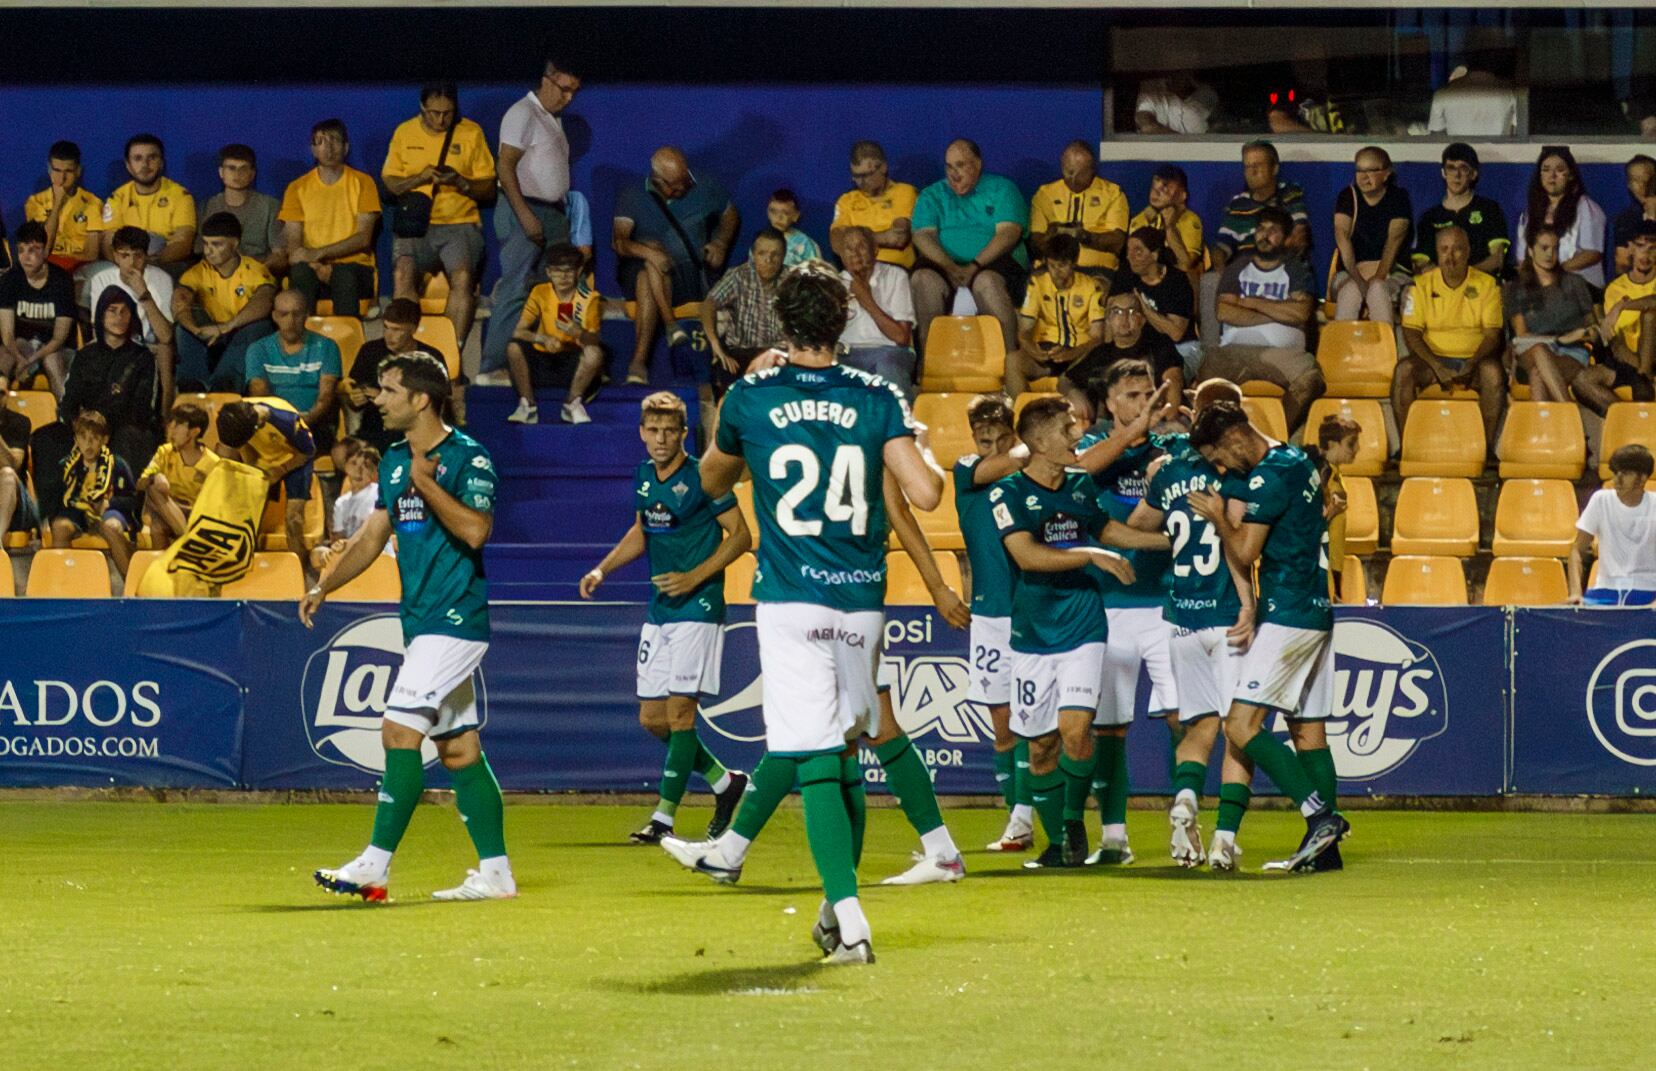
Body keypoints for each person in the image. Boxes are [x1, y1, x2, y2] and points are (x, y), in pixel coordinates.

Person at [663, 263, 945, 964]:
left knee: (813, 752)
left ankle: (849, 919)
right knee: (843, 754)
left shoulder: (751, 396)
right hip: (861, 602)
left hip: (791, 599)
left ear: (781, 324)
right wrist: (922, 445)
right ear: (846, 318)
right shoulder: (878, 395)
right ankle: (828, 907)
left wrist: (746, 428)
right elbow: (929, 494)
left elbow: (708, 479)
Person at [306, 351, 515, 903]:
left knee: (399, 733)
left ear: (421, 399)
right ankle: (496, 874)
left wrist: (428, 485)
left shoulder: (469, 458)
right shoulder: (396, 460)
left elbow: (476, 531)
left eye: (389, 390)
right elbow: (373, 537)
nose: (379, 398)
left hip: (456, 619)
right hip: (422, 623)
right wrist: (324, 585)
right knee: (459, 751)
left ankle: (374, 866)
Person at [990, 396, 1159, 869]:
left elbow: (1106, 530)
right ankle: (1055, 841)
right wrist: (1088, 555)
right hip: (1033, 633)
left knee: (1075, 730)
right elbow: (1027, 556)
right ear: (1040, 441)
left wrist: (1165, 540)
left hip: (1084, 623)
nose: (1077, 437)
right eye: (1067, 430)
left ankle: (1071, 826)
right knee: (1040, 746)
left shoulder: (1082, 484)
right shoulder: (1005, 493)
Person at [578, 391, 752, 844]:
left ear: (682, 434)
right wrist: (603, 568)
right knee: (652, 718)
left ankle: (664, 818)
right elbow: (642, 530)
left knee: (679, 714)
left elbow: (740, 537)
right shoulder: (642, 477)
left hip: (699, 605)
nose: (660, 439)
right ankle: (724, 782)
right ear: (641, 433)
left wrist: (695, 577)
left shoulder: (705, 478)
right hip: (660, 611)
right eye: (653, 430)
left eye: (669, 431)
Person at [1185, 401, 1347, 872]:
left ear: (1236, 436)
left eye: (1220, 455)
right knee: (1308, 732)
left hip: (1289, 613)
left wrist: (1220, 517)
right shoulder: (1296, 459)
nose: (1222, 466)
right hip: (1316, 607)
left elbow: (1246, 549)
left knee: (1240, 725)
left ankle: (1320, 818)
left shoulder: (1267, 477)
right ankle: (1326, 852)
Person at [1131, 410, 1258, 871]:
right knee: (1238, 731)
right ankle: (1225, 835)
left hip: (1181, 619)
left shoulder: (1169, 473)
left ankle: (1185, 796)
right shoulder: (1237, 478)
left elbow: (1142, 522)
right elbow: (1241, 542)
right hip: (1227, 617)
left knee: (1198, 725)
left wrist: (1161, 488)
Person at [1074, 362, 1180, 867]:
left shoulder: (1174, 452)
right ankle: (1114, 837)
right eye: (1133, 395)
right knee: (1109, 728)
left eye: (1149, 394)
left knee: (1187, 718)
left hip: (1165, 603)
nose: (1144, 403)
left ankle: (1188, 826)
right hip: (1108, 607)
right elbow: (1079, 479)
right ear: (1110, 404)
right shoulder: (1089, 450)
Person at [952, 394, 1036, 852]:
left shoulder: (1030, 477)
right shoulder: (967, 470)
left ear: (1011, 431)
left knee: (1029, 719)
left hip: (1030, 608)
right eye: (983, 437)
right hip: (988, 615)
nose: (991, 446)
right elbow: (1009, 461)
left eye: (1000, 436)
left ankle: (1026, 817)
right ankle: (1015, 819)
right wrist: (1032, 444)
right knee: (1002, 721)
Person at [480, 57, 582, 380]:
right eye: (565, 89)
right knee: (516, 288)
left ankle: (545, 365)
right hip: (525, 209)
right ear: (547, 78)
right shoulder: (521, 113)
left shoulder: (553, 119)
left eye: (574, 93)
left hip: (552, 214)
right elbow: (505, 167)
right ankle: (493, 365)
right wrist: (524, 215)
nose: (568, 98)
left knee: (553, 290)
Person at [383, 81, 497, 353]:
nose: (441, 119)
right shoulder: (405, 132)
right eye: (434, 113)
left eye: (447, 113)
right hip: (416, 224)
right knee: (402, 273)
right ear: (423, 108)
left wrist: (460, 181)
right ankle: (405, 349)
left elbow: (488, 187)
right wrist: (419, 177)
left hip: (459, 223)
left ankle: (451, 350)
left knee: (463, 277)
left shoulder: (470, 133)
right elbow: (390, 184)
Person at [612, 148, 740, 386]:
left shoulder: (704, 186)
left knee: (647, 274)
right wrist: (649, 253)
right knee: (648, 264)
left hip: (688, 275)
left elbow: (730, 214)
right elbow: (619, 242)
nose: (686, 185)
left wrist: (720, 243)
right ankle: (666, 331)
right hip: (643, 273)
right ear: (659, 181)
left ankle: (639, 362)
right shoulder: (633, 196)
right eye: (678, 183)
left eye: (686, 178)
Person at [35, 288, 160, 516]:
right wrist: (79, 426)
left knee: (130, 436)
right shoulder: (86, 355)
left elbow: (143, 407)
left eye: (124, 312)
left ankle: (122, 513)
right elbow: (69, 401)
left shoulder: (142, 357)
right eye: (112, 311)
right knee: (46, 437)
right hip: (88, 426)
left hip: (127, 426)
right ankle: (54, 513)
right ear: (101, 316)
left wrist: (103, 425)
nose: (119, 318)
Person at [1197, 207, 1322, 431]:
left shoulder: (1297, 268)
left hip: (1284, 354)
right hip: (1234, 351)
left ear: (1286, 237)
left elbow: (1300, 313)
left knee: (1311, 379)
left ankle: (1276, 434)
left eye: (1273, 230)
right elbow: (1224, 312)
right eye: (1261, 229)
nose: (1264, 235)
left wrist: (1251, 302)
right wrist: (1278, 313)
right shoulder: (1237, 266)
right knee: (1204, 382)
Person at [910, 139, 1029, 359]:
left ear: (978, 164)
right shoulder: (931, 195)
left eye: (961, 165)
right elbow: (922, 235)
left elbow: (1008, 233)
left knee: (988, 282)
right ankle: (929, 364)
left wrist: (975, 265)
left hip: (994, 262)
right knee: (922, 279)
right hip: (945, 263)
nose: (954, 174)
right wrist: (950, 267)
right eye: (949, 167)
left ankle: (1010, 361)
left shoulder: (1002, 189)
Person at [1395, 226, 1506, 451]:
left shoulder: (1487, 285)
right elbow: (1411, 333)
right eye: (1444, 250)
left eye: (1457, 249)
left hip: (1474, 361)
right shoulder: (1421, 285)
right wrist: (1436, 366)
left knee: (1493, 374)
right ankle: (1407, 447)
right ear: (1436, 253)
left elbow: (1493, 335)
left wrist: (1471, 363)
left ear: (1467, 252)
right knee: (1403, 371)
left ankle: (1485, 450)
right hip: (1432, 361)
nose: (1450, 256)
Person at [1203, 141, 1311, 344]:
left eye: (1258, 165)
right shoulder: (1238, 203)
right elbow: (1222, 246)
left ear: (1274, 168)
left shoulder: (1289, 194)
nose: (1252, 171)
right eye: (1247, 166)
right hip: (1243, 269)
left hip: (1280, 265)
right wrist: (1223, 272)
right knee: (1210, 281)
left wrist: (1269, 261)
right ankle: (1211, 349)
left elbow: (1298, 237)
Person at [280, 119, 382, 318]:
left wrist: (320, 254)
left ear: (346, 147)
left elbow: (363, 238)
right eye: (321, 141)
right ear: (313, 149)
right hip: (311, 266)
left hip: (356, 268)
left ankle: (348, 341)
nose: (329, 147)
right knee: (301, 273)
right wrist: (317, 265)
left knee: (343, 275)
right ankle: (303, 341)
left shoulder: (363, 183)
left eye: (335, 140)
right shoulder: (296, 188)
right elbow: (294, 249)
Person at [172, 213, 277, 391]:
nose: (208, 251)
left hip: (238, 331)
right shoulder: (198, 272)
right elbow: (180, 302)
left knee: (258, 327)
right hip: (211, 334)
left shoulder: (254, 270)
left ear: (234, 244)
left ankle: (223, 385)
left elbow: (264, 302)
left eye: (216, 244)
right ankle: (194, 386)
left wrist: (227, 327)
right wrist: (195, 329)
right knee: (183, 329)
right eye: (205, 244)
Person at [1505, 225, 1604, 410]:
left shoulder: (1574, 282)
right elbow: (1521, 334)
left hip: (1571, 350)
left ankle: (1548, 435)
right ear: (1530, 251)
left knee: (1538, 375)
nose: (1550, 254)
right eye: (1544, 248)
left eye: (1555, 248)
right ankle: (1570, 414)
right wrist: (1556, 339)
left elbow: (1591, 326)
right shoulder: (1518, 288)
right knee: (1540, 351)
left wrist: (1585, 333)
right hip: (1532, 349)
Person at [505, 244, 603, 427]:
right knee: (513, 347)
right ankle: (528, 406)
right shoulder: (540, 292)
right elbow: (519, 331)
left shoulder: (589, 298)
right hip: (543, 357)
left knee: (594, 353)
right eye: (557, 271)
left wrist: (578, 333)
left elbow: (595, 340)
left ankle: (572, 404)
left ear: (578, 271)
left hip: (571, 361)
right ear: (549, 273)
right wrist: (542, 338)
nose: (563, 277)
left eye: (568, 271)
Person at [215, 396, 317, 561]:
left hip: (294, 459)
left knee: (293, 519)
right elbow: (242, 448)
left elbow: (307, 452)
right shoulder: (235, 417)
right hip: (264, 458)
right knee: (249, 515)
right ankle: (247, 563)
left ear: (255, 428)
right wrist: (254, 472)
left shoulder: (287, 421)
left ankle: (301, 569)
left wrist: (281, 470)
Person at [699, 228, 785, 419]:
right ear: (753, 255)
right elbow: (708, 305)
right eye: (762, 253)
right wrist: (715, 345)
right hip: (740, 354)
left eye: (775, 254)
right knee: (728, 393)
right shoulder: (739, 276)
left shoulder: (791, 280)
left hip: (777, 355)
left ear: (783, 257)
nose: (768, 260)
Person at [244, 290, 342, 454]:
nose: (290, 321)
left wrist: (302, 424)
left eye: (296, 314)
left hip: (314, 424)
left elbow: (325, 397)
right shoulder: (258, 349)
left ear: (306, 315)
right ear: (275, 316)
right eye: (284, 314)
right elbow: (259, 393)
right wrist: (284, 425)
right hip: (272, 425)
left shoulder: (327, 347)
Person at [1007, 233, 1105, 398]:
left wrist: (1072, 353)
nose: (1056, 272)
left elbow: (1097, 337)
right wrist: (1033, 350)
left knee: (1096, 362)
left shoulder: (1091, 287)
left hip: (1078, 355)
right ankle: (1023, 412)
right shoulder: (1037, 284)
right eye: (1051, 266)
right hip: (1046, 351)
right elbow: (1024, 331)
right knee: (1012, 360)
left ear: (1074, 263)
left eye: (1062, 266)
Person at [87, 226, 176, 405]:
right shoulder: (101, 280)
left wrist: (143, 293)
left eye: (138, 256)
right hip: (116, 343)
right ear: (115, 256)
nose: (132, 263)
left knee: (165, 351)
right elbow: (99, 330)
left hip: (150, 345)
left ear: (146, 256)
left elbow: (165, 336)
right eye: (125, 256)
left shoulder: (162, 279)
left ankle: (164, 418)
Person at [1059, 291, 1180, 423]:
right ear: (1108, 320)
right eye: (1117, 312)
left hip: (1154, 423)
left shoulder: (1160, 346)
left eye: (1132, 311)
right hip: (1110, 428)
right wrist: (1074, 393)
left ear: (1143, 320)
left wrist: (1169, 425)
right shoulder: (1100, 353)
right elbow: (1064, 380)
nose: (1124, 317)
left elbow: (1173, 380)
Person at [51, 409, 139, 577]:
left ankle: (130, 583)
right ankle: (63, 583)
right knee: (60, 526)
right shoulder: (66, 466)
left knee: (111, 526)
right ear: (76, 439)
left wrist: (109, 503)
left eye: (94, 438)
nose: (88, 443)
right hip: (77, 513)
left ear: (104, 440)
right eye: (83, 437)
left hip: (109, 512)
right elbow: (55, 499)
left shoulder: (117, 464)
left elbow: (132, 500)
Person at [1028, 141, 1129, 285]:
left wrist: (1084, 236)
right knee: (1033, 285)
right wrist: (1053, 235)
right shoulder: (1045, 194)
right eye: (1068, 171)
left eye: (1080, 174)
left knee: (1100, 288)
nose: (1073, 179)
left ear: (1092, 170)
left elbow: (1117, 242)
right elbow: (1036, 241)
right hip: (1052, 268)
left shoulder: (1112, 194)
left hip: (1096, 269)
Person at [92, 134, 196, 273]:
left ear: (161, 163)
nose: (145, 164)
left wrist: (148, 262)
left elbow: (183, 242)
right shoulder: (117, 197)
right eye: (138, 158)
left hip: (164, 264)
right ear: (128, 165)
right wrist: (126, 264)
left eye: (152, 157)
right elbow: (108, 241)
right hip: (124, 264)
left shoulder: (180, 196)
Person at [1332, 146, 1413, 323]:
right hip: (1352, 272)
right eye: (1360, 170)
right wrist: (1359, 280)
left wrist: (1377, 278)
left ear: (1386, 173)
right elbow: (1342, 237)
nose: (1364, 176)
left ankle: (1383, 346)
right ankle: (1345, 346)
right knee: (1350, 290)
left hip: (1391, 271)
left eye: (1371, 170)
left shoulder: (1398, 198)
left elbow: (1394, 241)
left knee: (1377, 289)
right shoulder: (1348, 196)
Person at [1569, 444, 1656, 607]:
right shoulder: (1600, 500)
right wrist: (1575, 593)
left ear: (1642, 478)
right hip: (1605, 590)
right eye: (1615, 473)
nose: (1617, 480)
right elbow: (1577, 551)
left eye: (1625, 473)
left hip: (1649, 590)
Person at [836, 225, 917, 398]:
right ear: (842, 256)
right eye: (848, 249)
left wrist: (866, 299)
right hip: (847, 353)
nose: (855, 253)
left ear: (875, 250)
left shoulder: (896, 276)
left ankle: (900, 423)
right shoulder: (835, 283)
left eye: (861, 246)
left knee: (888, 367)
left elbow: (901, 338)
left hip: (890, 351)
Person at [0, 221, 76, 397]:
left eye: (33, 250)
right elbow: (7, 336)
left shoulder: (61, 281)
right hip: (23, 346)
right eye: (21, 250)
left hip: (56, 348)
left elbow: (59, 338)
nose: (26, 257)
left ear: (44, 251)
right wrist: (20, 359)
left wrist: (30, 361)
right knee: (7, 354)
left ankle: (64, 416)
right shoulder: (11, 280)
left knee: (52, 360)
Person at [1516, 146, 1607, 293]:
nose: (1552, 176)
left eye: (1559, 170)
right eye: (1546, 170)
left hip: (1580, 285)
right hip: (1541, 286)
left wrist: (1555, 272)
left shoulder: (1586, 208)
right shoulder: (1528, 214)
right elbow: (1522, 261)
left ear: (1570, 175)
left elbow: (1592, 253)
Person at [1413, 143, 1510, 278]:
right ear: (1443, 173)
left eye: (1463, 168)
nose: (1456, 175)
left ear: (1473, 174)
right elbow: (1422, 263)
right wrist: (1447, 280)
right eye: (1451, 168)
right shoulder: (1430, 217)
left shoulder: (1489, 209)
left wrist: (1464, 278)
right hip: (1441, 289)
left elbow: (1497, 260)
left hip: (1480, 284)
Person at [137, 401, 220, 550]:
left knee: (158, 523)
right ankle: (185, 543)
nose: (171, 431)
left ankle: (185, 544)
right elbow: (140, 483)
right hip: (168, 510)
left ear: (194, 432)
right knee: (154, 493)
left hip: (197, 517)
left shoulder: (213, 463)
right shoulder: (164, 452)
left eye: (177, 426)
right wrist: (153, 478)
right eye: (171, 425)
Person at [343, 298, 420, 457]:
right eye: (385, 328)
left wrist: (385, 398)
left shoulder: (427, 358)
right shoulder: (370, 351)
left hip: (410, 431)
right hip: (372, 429)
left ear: (413, 329)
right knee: (341, 452)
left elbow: (431, 406)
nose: (388, 335)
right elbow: (353, 397)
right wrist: (354, 399)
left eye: (397, 330)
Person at [195, 145, 286, 272]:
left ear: (252, 174)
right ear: (221, 172)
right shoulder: (208, 206)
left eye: (243, 169)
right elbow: (200, 251)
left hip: (257, 272)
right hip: (217, 275)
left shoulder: (270, 206)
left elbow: (279, 255)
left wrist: (257, 271)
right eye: (231, 168)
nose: (237, 174)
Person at [829, 141, 917, 269]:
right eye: (856, 176)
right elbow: (836, 243)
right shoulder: (846, 201)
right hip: (858, 271)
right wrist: (884, 237)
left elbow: (899, 238)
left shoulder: (905, 192)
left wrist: (853, 238)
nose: (861, 182)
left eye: (866, 175)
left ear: (883, 167)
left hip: (897, 270)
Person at [1124, 224, 1198, 370]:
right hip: (1146, 348)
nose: (1130, 256)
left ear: (1154, 255)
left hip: (1182, 349)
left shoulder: (1176, 281)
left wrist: (1144, 309)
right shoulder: (1127, 276)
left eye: (1137, 251)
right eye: (1128, 250)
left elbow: (1176, 333)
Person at [23, 141, 102, 277]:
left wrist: (67, 261)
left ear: (78, 171)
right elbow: (44, 248)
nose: (62, 178)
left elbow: (92, 254)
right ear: (49, 170)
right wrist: (58, 202)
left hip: (80, 268)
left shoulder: (93, 203)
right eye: (57, 170)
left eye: (68, 171)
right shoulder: (36, 202)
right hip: (47, 265)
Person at [1599, 222, 1656, 401]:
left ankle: (1643, 378)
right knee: (1584, 379)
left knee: (1649, 316)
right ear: (1630, 248)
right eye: (1640, 247)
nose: (1645, 255)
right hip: (1629, 363)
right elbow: (1614, 341)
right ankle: (1643, 379)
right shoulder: (1616, 289)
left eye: (1652, 248)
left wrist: (1622, 306)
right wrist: (1640, 370)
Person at [1127, 166, 1204, 283]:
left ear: (1182, 196)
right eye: (1154, 188)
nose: (1156, 193)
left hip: (1174, 281)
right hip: (1144, 278)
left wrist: (1170, 227)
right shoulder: (1141, 219)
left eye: (1165, 190)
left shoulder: (1190, 220)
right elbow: (1134, 259)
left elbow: (1187, 264)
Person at [1428, 64, 1519, 137]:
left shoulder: (1443, 94)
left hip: (1459, 156)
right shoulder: (1511, 92)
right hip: (1502, 156)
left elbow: (1437, 136)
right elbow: (1518, 132)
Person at [1612, 155, 1656, 276]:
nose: (1643, 186)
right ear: (1629, 185)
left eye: (1647, 179)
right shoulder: (1626, 220)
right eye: (1636, 180)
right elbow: (1621, 265)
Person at [0, 397, 38, 538]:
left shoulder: (19, 422)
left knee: (7, 475)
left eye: (1, 393)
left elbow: (14, 465)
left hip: (17, 506)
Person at [1134, 72, 1218, 135]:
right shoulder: (1151, 97)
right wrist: (1188, 145)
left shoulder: (1205, 95)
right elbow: (1148, 127)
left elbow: (1220, 126)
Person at [767, 189, 821, 267]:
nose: (778, 217)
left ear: (796, 216)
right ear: (767, 213)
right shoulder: (761, 240)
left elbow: (815, 271)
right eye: (773, 211)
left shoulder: (804, 243)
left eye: (785, 213)